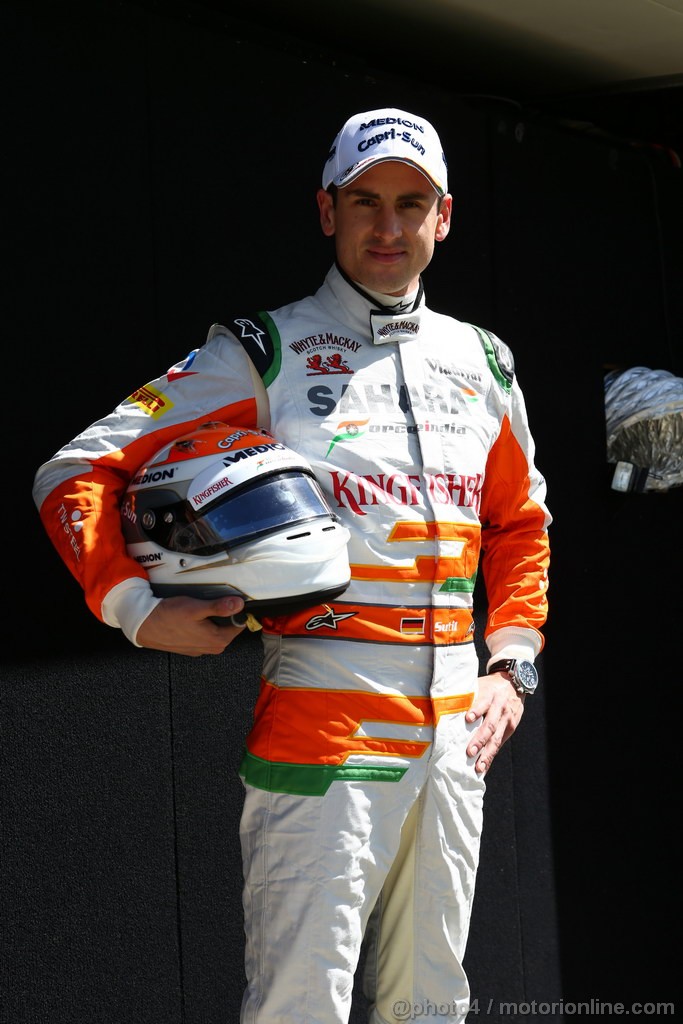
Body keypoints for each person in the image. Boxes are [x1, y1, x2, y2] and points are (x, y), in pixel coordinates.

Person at [33, 107, 551, 1023]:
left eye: (410, 202)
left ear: (444, 216)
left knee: (433, 1005)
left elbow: (518, 523)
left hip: (453, 738)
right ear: (326, 210)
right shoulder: (259, 351)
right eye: (364, 201)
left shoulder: (484, 362)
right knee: (298, 1008)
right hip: (322, 718)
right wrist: (134, 610)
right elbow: (74, 470)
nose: (386, 227)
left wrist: (511, 662)